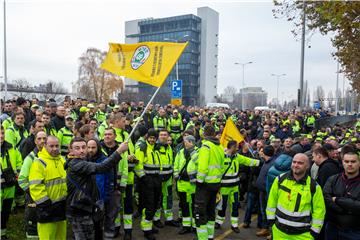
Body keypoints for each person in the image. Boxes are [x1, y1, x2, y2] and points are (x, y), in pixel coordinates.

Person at [65, 137, 128, 240]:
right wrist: (119, 151)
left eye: (83, 147)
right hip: (79, 210)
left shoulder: (82, 160)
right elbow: (102, 167)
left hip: (85, 207)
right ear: (71, 150)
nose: (81, 150)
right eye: (77, 148)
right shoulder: (76, 164)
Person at [266, 153, 326, 240]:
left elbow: (319, 211)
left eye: (300, 163)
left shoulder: (314, 187)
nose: (296, 165)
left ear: (307, 166)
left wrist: (314, 232)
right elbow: (272, 201)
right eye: (294, 162)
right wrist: (271, 222)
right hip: (279, 232)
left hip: (303, 235)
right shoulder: (280, 179)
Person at [215, 140, 259, 233]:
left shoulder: (237, 157)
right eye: (236, 147)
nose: (238, 148)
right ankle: (218, 222)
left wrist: (259, 162)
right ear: (232, 147)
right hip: (224, 188)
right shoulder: (221, 157)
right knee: (222, 207)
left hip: (235, 187)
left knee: (235, 206)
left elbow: (248, 161)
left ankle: (234, 225)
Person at [29, 136, 68, 240]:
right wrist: (46, 205)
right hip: (47, 208)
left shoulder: (62, 160)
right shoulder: (39, 163)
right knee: (48, 237)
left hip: (62, 206)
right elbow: (36, 187)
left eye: (57, 146)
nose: (55, 148)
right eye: (51, 146)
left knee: (61, 237)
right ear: (45, 146)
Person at [194, 125, 225, 240]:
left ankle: (203, 238)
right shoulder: (220, 147)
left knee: (200, 213)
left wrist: (199, 181)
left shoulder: (206, 146)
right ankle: (210, 236)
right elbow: (222, 166)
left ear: (204, 134)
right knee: (211, 212)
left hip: (205, 185)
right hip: (216, 184)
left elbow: (203, 167)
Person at [323, 151, 360, 240]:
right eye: (346, 161)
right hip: (332, 227)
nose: (349, 164)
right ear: (342, 163)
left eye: (353, 161)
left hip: (355, 231)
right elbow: (326, 198)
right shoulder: (333, 179)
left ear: (359, 163)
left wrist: (337, 200)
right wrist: (346, 209)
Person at [18, 130, 47, 239]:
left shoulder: (48, 156)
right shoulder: (30, 158)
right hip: (33, 198)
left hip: (46, 196)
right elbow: (21, 179)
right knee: (33, 225)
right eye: (39, 139)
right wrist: (32, 193)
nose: (42, 141)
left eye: (44, 138)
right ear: (35, 141)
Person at [135, 129, 161, 240]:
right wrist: (144, 178)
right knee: (148, 206)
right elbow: (138, 164)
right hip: (146, 181)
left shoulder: (156, 148)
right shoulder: (142, 148)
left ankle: (149, 225)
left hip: (156, 180)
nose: (152, 140)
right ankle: (146, 230)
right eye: (150, 137)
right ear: (147, 137)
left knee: (155, 204)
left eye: (154, 138)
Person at [0, 126, 23, 239]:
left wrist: (18, 172)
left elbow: (19, 160)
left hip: (9, 186)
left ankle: (2, 233)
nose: (1, 136)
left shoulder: (11, 147)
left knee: (5, 212)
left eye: (2, 133)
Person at [153, 130, 179, 228]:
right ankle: (156, 219)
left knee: (168, 199)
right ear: (158, 136)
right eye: (161, 134)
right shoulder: (155, 147)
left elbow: (171, 163)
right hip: (158, 178)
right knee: (158, 199)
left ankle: (169, 219)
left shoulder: (169, 147)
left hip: (168, 178)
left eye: (165, 135)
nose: (163, 136)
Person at [174, 135, 199, 235]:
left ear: (192, 142)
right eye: (184, 141)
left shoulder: (198, 151)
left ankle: (195, 226)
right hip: (182, 183)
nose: (185, 143)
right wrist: (176, 175)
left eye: (187, 141)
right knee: (184, 205)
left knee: (194, 206)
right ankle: (186, 226)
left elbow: (198, 163)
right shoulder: (180, 152)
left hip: (193, 184)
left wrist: (192, 150)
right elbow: (176, 164)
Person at [255, 145, 276, 237]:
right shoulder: (266, 162)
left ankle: (271, 231)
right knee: (263, 211)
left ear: (264, 153)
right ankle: (265, 228)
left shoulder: (272, 164)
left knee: (269, 212)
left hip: (267, 193)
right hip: (262, 191)